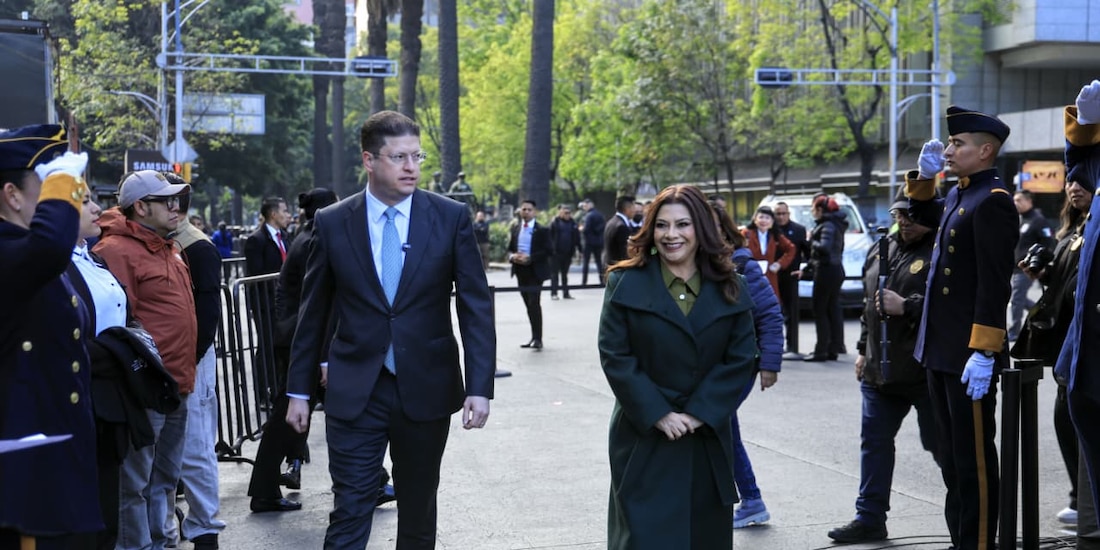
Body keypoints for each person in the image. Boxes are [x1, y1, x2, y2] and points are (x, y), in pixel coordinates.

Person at [284, 110, 495, 549]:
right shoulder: (334, 221)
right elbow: (313, 313)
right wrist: (298, 391)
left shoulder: (450, 216)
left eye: (416, 156)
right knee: (350, 509)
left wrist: (480, 385)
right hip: (355, 388)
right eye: (398, 157)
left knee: (418, 513)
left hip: (427, 387)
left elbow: (476, 306)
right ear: (369, 160)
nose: (411, 167)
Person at [598, 184, 758, 549]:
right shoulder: (624, 283)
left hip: (705, 438)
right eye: (662, 225)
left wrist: (699, 413)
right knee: (643, 537)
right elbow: (615, 356)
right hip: (644, 436)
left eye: (683, 224)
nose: (672, 235)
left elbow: (740, 359)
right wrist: (660, 413)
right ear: (650, 230)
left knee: (703, 537)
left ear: (700, 229)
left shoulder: (733, 286)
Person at [907, 105, 1017, 550]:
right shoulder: (959, 195)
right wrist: (924, 177)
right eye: (950, 144)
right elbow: (924, 216)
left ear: (985, 150)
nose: (949, 150)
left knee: (973, 463)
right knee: (951, 460)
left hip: (968, 354)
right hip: (940, 350)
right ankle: (961, 541)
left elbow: (995, 284)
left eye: (958, 144)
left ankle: (978, 544)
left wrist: (985, 350)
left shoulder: (993, 201)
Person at [0, 125, 102, 549]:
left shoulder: (24, 252)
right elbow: (48, 248)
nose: (67, 203)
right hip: (26, 462)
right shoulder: (15, 252)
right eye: (50, 189)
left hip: (54, 450)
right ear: (13, 195)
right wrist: (63, 179)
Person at [826, 191, 942, 543]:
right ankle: (869, 517)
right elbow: (868, 305)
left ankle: (973, 519)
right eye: (899, 213)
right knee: (874, 444)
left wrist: (907, 306)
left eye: (910, 214)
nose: (903, 220)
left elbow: (951, 307)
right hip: (879, 371)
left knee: (943, 448)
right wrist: (862, 349)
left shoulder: (942, 250)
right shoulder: (882, 248)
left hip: (925, 372)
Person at [94, 169, 198, 550]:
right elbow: (120, 325)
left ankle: (164, 543)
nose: (176, 206)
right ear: (141, 207)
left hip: (178, 384)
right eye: (166, 200)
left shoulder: (170, 246)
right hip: (144, 389)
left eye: (177, 199)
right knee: (134, 485)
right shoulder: (116, 252)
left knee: (166, 481)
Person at [1014, 165, 1090, 525]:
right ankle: (1080, 498)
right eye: (1071, 181)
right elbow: (1063, 284)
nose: (1074, 188)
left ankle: (1087, 501)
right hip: (1066, 343)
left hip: (1089, 341)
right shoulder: (1072, 229)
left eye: (1083, 180)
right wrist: (1043, 273)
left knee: (1082, 420)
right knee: (1066, 420)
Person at [714, 206, 783, 530]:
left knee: (719, 425)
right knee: (725, 428)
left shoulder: (740, 263)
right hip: (716, 366)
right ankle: (751, 500)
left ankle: (748, 499)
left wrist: (769, 364)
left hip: (740, 364)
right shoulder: (691, 261)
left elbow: (769, 314)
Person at [167, 178, 226, 549]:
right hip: (173, 363)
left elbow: (206, 320)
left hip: (191, 363)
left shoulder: (197, 248)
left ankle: (204, 527)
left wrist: (185, 365)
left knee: (196, 446)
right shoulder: (169, 243)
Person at [1056, 80, 1100, 543]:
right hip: (1084, 347)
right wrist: (1083, 127)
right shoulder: (1089, 187)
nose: (1075, 192)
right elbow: (1079, 168)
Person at [244, 197, 291, 407]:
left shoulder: (285, 238)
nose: (287, 215)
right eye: (284, 211)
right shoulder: (257, 240)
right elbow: (256, 274)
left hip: (284, 305)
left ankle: (279, 388)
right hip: (265, 304)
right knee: (266, 347)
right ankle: (263, 393)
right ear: (273, 214)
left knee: (281, 346)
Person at [803, 195, 848, 362]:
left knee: (820, 311)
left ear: (820, 210)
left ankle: (821, 351)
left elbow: (824, 248)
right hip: (835, 270)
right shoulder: (835, 223)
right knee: (832, 310)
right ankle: (833, 348)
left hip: (826, 271)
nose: (812, 212)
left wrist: (810, 240)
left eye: (813, 208)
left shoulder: (827, 225)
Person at [1008, 189, 1054, 342]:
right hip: (1015, 267)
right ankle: (1044, 315)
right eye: (1014, 200)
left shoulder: (1038, 219)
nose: (1016, 203)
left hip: (1027, 269)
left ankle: (1013, 332)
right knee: (1019, 299)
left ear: (1029, 201)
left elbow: (1047, 241)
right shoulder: (1020, 219)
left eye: (1019, 200)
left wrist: (1039, 261)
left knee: (1016, 299)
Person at [508, 199, 551, 349]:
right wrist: (513, 257)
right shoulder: (515, 228)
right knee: (528, 304)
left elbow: (549, 251)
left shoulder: (542, 230)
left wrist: (530, 258)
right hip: (520, 271)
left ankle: (538, 338)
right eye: (523, 209)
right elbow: (510, 249)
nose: (525, 212)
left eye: (528, 209)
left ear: (534, 212)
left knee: (534, 303)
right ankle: (533, 336)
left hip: (535, 272)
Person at [774, 201, 810, 357]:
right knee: (773, 313)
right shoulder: (770, 229)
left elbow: (808, 254)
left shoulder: (798, 230)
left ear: (788, 214)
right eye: (778, 214)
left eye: (783, 213)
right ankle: (775, 346)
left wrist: (804, 269)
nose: (781, 217)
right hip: (771, 277)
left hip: (790, 276)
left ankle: (792, 347)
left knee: (792, 313)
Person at [741, 205, 796, 298]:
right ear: (755, 219)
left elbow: (791, 248)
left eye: (767, 218)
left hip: (770, 276)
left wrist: (779, 264)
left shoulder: (775, 235)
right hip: (750, 275)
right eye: (761, 217)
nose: (764, 221)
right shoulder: (746, 234)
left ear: (772, 222)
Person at [549, 203, 581, 300]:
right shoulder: (555, 222)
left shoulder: (572, 223)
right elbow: (549, 237)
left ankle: (565, 293)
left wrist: (580, 250)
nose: (567, 215)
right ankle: (554, 293)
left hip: (568, 253)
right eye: (565, 212)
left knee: (565, 274)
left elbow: (577, 238)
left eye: (569, 213)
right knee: (554, 274)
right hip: (556, 253)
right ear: (560, 212)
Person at [603, 195, 636, 267]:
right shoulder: (621, 226)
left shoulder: (611, 222)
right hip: (618, 268)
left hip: (608, 266)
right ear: (627, 208)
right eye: (633, 207)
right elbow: (624, 253)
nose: (635, 210)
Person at [580, 198, 606, 285]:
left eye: (585, 205)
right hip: (598, 241)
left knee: (586, 262)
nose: (584, 207)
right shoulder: (600, 215)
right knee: (599, 262)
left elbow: (586, 229)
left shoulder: (589, 216)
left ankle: (584, 281)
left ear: (589, 205)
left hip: (588, 242)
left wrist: (581, 229)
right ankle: (602, 280)